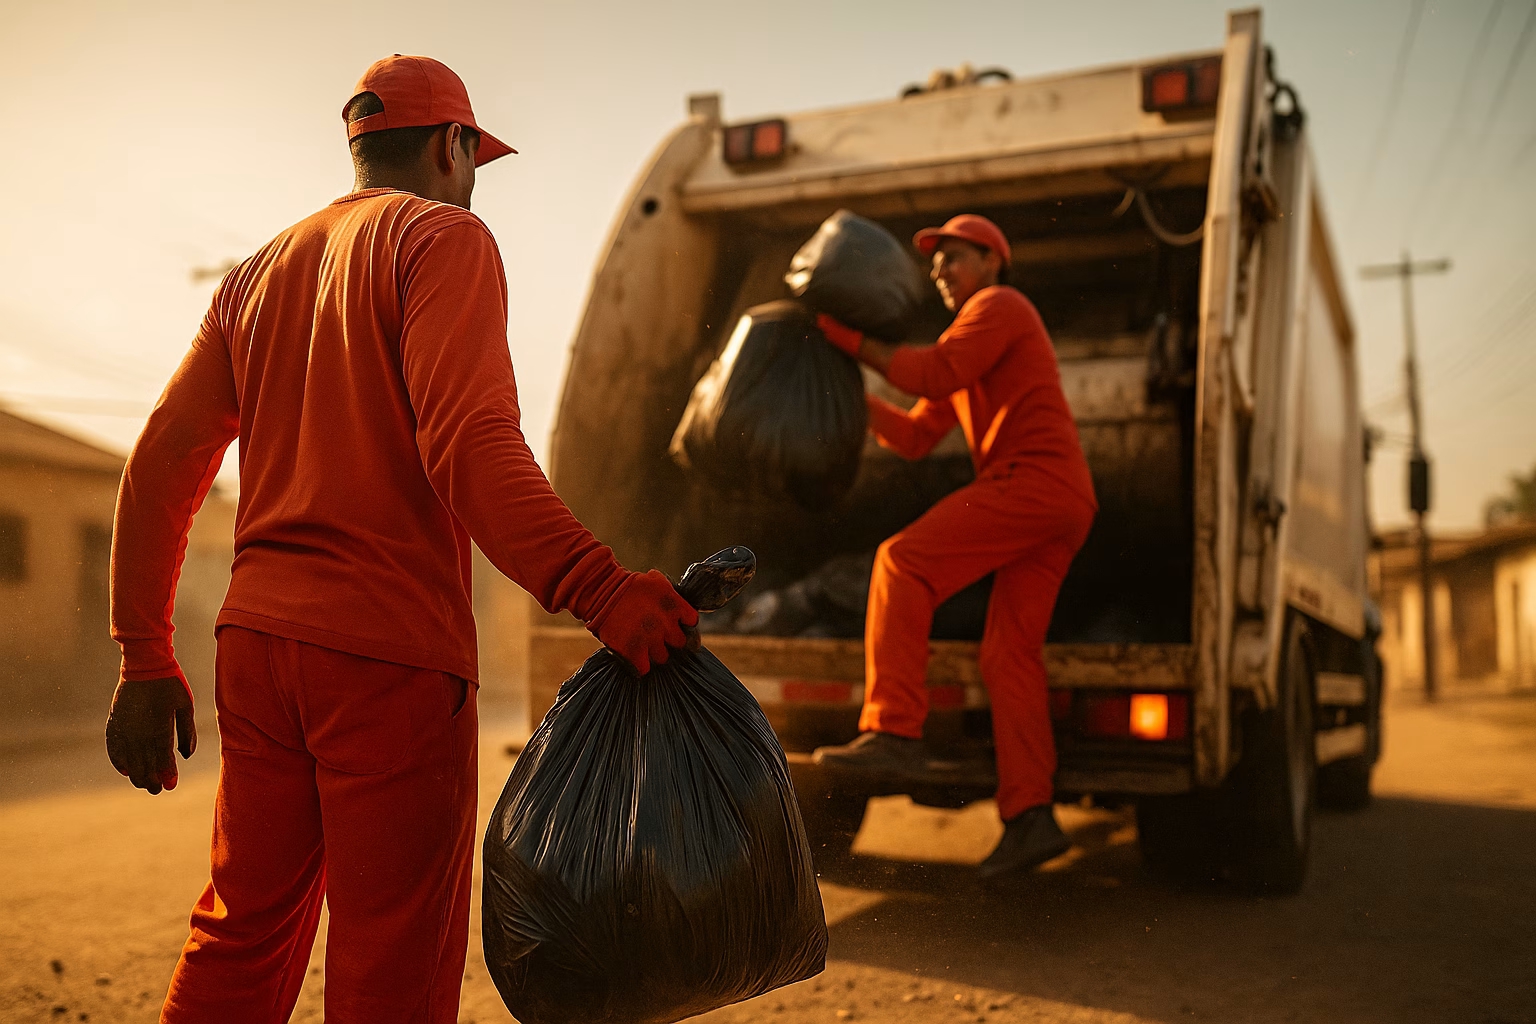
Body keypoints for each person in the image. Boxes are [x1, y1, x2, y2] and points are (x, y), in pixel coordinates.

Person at [103, 55, 697, 1023]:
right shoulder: (445, 238)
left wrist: (143, 654)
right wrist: (601, 586)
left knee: (242, 930)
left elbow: (163, 462)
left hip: (257, 648)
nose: (472, 179)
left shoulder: (254, 276)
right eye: (474, 156)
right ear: (450, 143)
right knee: (391, 958)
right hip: (387, 657)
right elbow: (468, 443)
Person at [811, 214, 1096, 879]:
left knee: (903, 561)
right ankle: (1031, 817)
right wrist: (852, 398)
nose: (939, 270)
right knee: (1008, 655)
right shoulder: (972, 336)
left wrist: (849, 340)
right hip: (1062, 500)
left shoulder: (1001, 306)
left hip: (1033, 482)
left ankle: (893, 731)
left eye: (954, 258)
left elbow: (933, 373)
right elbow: (914, 435)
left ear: (994, 261)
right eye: (935, 263)